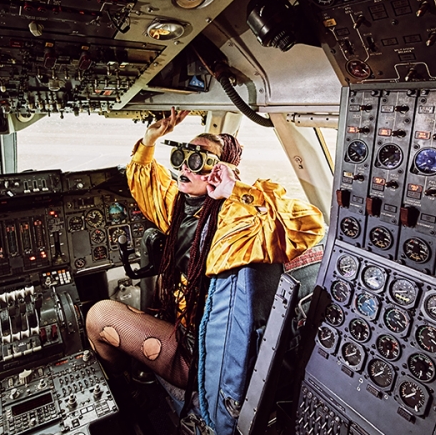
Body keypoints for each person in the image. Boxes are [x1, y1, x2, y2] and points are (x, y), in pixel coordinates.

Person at [85, 108, 325, 397]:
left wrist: (236, 189)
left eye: (198, 161)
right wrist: (149, 140)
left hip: (199, 351)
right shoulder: (180, 204)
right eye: (183, 158)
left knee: (99, 316)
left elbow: (310, 225)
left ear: (220, 169)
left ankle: (126, 394)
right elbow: (145, 181)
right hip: (180, 320)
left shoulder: (235, 219)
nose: (185, 167)